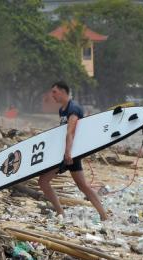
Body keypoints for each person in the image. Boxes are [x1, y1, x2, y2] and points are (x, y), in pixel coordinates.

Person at [37, 81, 108, 221]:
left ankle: (102, 215)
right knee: (82, 186)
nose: (52, 95)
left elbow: (71, 132)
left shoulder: (73, 108)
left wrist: (68, 153)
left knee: (44, 182)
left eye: (55, 92)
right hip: (66, 153)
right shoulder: (62, 110)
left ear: (64, 92)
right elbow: (61, 133)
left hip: (69, 154)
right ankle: (101, 215)